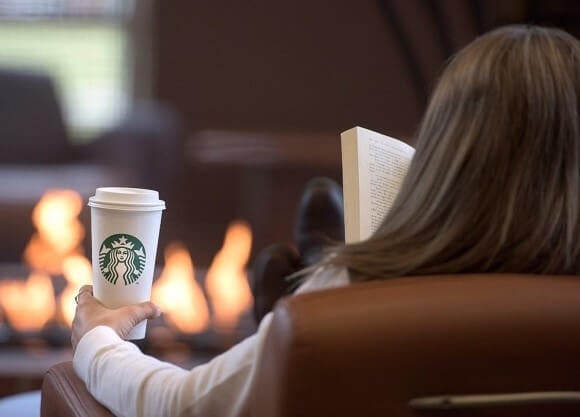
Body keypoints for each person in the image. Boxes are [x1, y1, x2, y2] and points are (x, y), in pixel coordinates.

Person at [70, 25, 580, 417]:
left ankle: (290, 303)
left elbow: (183, 404)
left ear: (445, 155)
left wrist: (97, 341)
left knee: (316, 297)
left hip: (340, 317)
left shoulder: (347, 306)